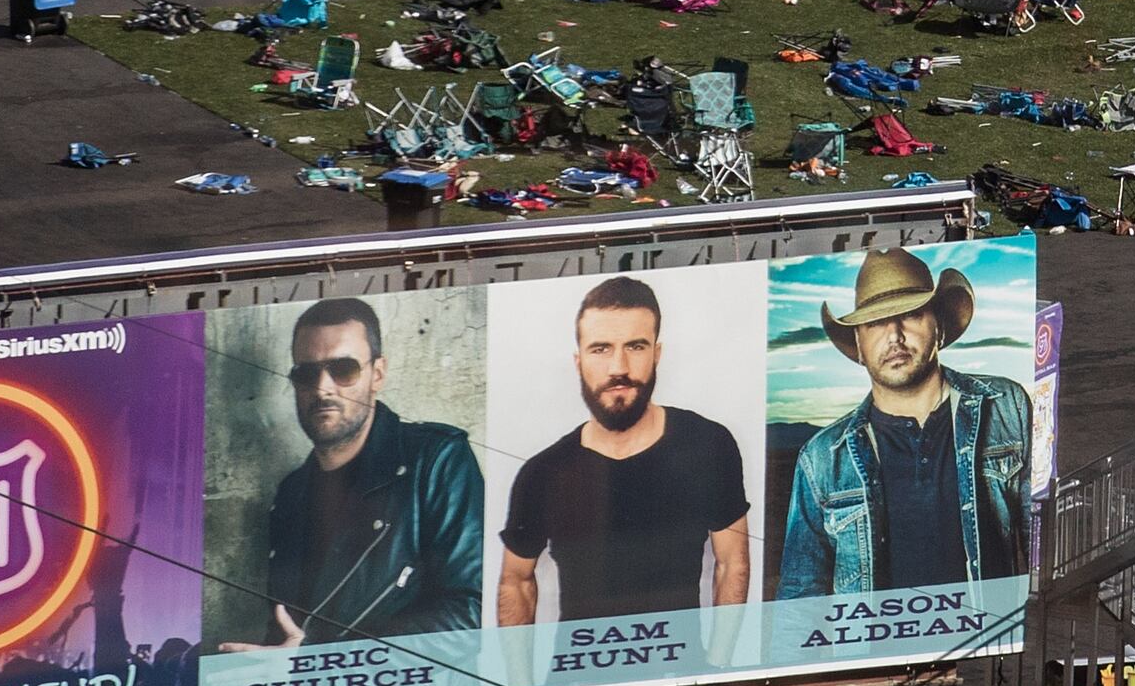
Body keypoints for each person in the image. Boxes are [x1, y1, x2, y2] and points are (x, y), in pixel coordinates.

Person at [497, 276, 752, 625]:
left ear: (657, 354)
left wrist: (721, 672)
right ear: (578, 361)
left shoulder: (707, 443)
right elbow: (515, 581)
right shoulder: (543, 472)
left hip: (679, 671)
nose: (619, 368)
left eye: (635, 346)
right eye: (600, 349)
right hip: (578, 676)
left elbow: (732, 562)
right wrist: (520, 681)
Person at [776, 249, 1032, 598]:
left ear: (939, 326)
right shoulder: (821, 459)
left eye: (910, 314)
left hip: (987, 643)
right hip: (872, 647)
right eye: (876, 323)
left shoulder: (1005, 406)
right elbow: (800, 596)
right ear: (859, 346)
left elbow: (1044, 539)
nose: (894, 336)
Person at [236, 296, 484, 647]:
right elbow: (288, 632)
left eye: (344, 370)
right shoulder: (291, 494)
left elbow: (471, 614)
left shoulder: (436, 459)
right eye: (307, 373)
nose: (323, 388)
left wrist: (319, 660)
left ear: (377, 374)